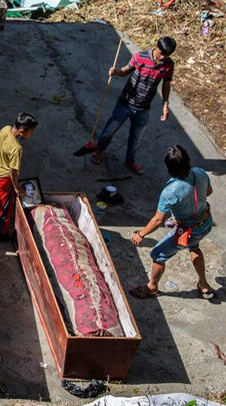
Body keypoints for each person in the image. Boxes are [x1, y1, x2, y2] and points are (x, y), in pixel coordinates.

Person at [129, 145, 215, 299]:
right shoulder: (200, 173)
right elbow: (208, 192)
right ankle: (204, 285)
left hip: (188, 231)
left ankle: (152, 287)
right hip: (206, 222)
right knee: (194, 247)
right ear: (188, 162)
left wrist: (141, 234)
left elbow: (158, 220)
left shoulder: (170, 192)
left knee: (158, 255)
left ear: (168, 169)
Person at [90, 37, 177, 175]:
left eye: (166, 55)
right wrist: (116, 72)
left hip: (143, 108)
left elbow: (166, 84)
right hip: (126, 103)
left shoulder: (168, 64)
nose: (163, 57)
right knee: (109, 131)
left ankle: (130, 161)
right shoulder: (139, 57)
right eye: (161, 53)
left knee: (136, 140)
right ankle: (98, 151)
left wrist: (165, 104)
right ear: (156, 46)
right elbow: (126, 71)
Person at [0, 112, 38, 241]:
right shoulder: (16, 148)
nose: (31, 134)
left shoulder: (4, 129)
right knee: (3, 207)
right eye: (31, 131)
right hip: (4, 179)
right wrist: (16, 187)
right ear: (21, 131)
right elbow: (13, 171)